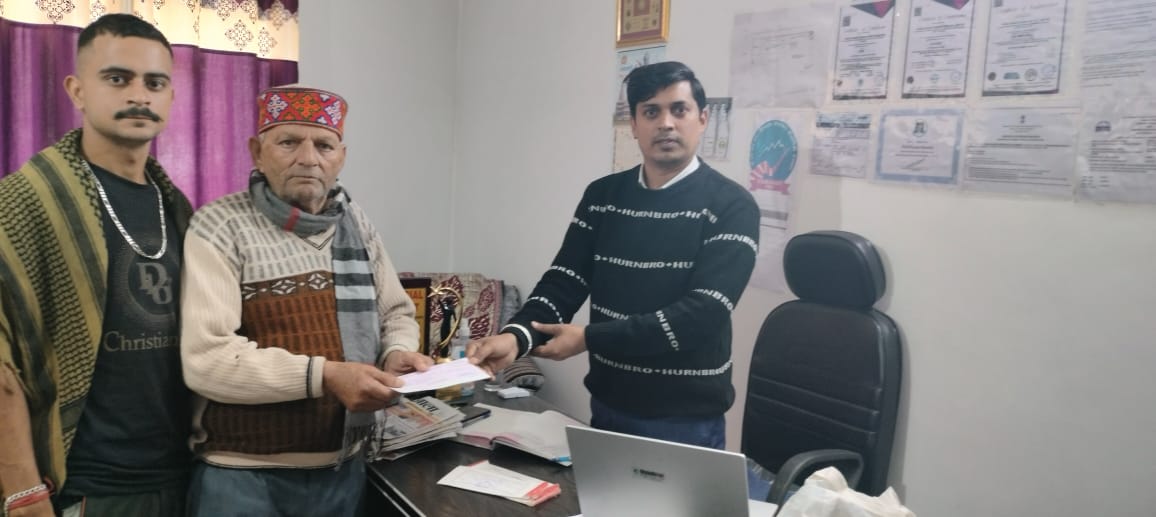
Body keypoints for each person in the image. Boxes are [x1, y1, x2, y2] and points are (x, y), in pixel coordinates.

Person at [468, 61, 759, 449]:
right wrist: (516, 336)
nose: (666, 123)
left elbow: (700, 316)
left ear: (702, 119)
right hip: (608, 404)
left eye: (679, 109)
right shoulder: (603, 197)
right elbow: (564, 281)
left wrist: (589, 338)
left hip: (685, 419)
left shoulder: (732, 205)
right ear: (634, 125)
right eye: (651, 111)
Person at [179, 85, 432, 517]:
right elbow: (207, 359)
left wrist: (396, 352)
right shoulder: (219, 225)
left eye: (323, 145)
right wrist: (326, 375)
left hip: (344, 469)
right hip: (243, 479)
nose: (308, 158)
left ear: (342, 156)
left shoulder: (355, 223)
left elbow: (396, 312)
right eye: (289, 142)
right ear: (257, 151)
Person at [0, 14, 194, 517]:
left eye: (155, 82)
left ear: (171, 97)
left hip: (186, 478)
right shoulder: (25, 202)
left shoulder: (179, 208)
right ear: (77, 90)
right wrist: (23, 493)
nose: (139, 94)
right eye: (117, 78)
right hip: (85, 489)